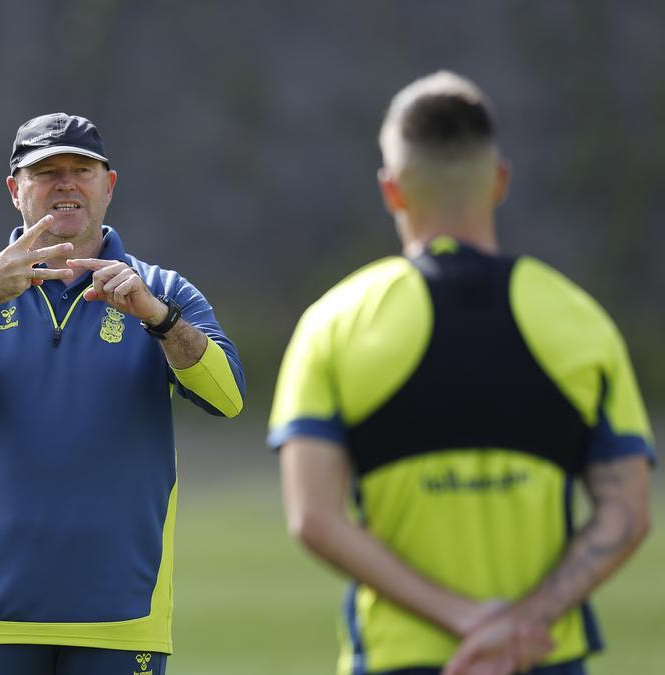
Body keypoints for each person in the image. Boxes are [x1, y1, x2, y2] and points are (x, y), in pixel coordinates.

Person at [268, 71, 654, 675]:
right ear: (499, 179)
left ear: (392, 191)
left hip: (403, 657)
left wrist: (465, 618)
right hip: (542, 654)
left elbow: (313, 517)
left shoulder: (335, 322)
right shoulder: (581, 320)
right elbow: (627, 513)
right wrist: (523, 621)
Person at [0, 112, 246, 675]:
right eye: (46, 172)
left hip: (121, 614)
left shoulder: (162, 290)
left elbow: (228, 396)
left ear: (108, 186)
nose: (65, 183)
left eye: (81, 170)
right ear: (16, 191)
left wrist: (157, 319)